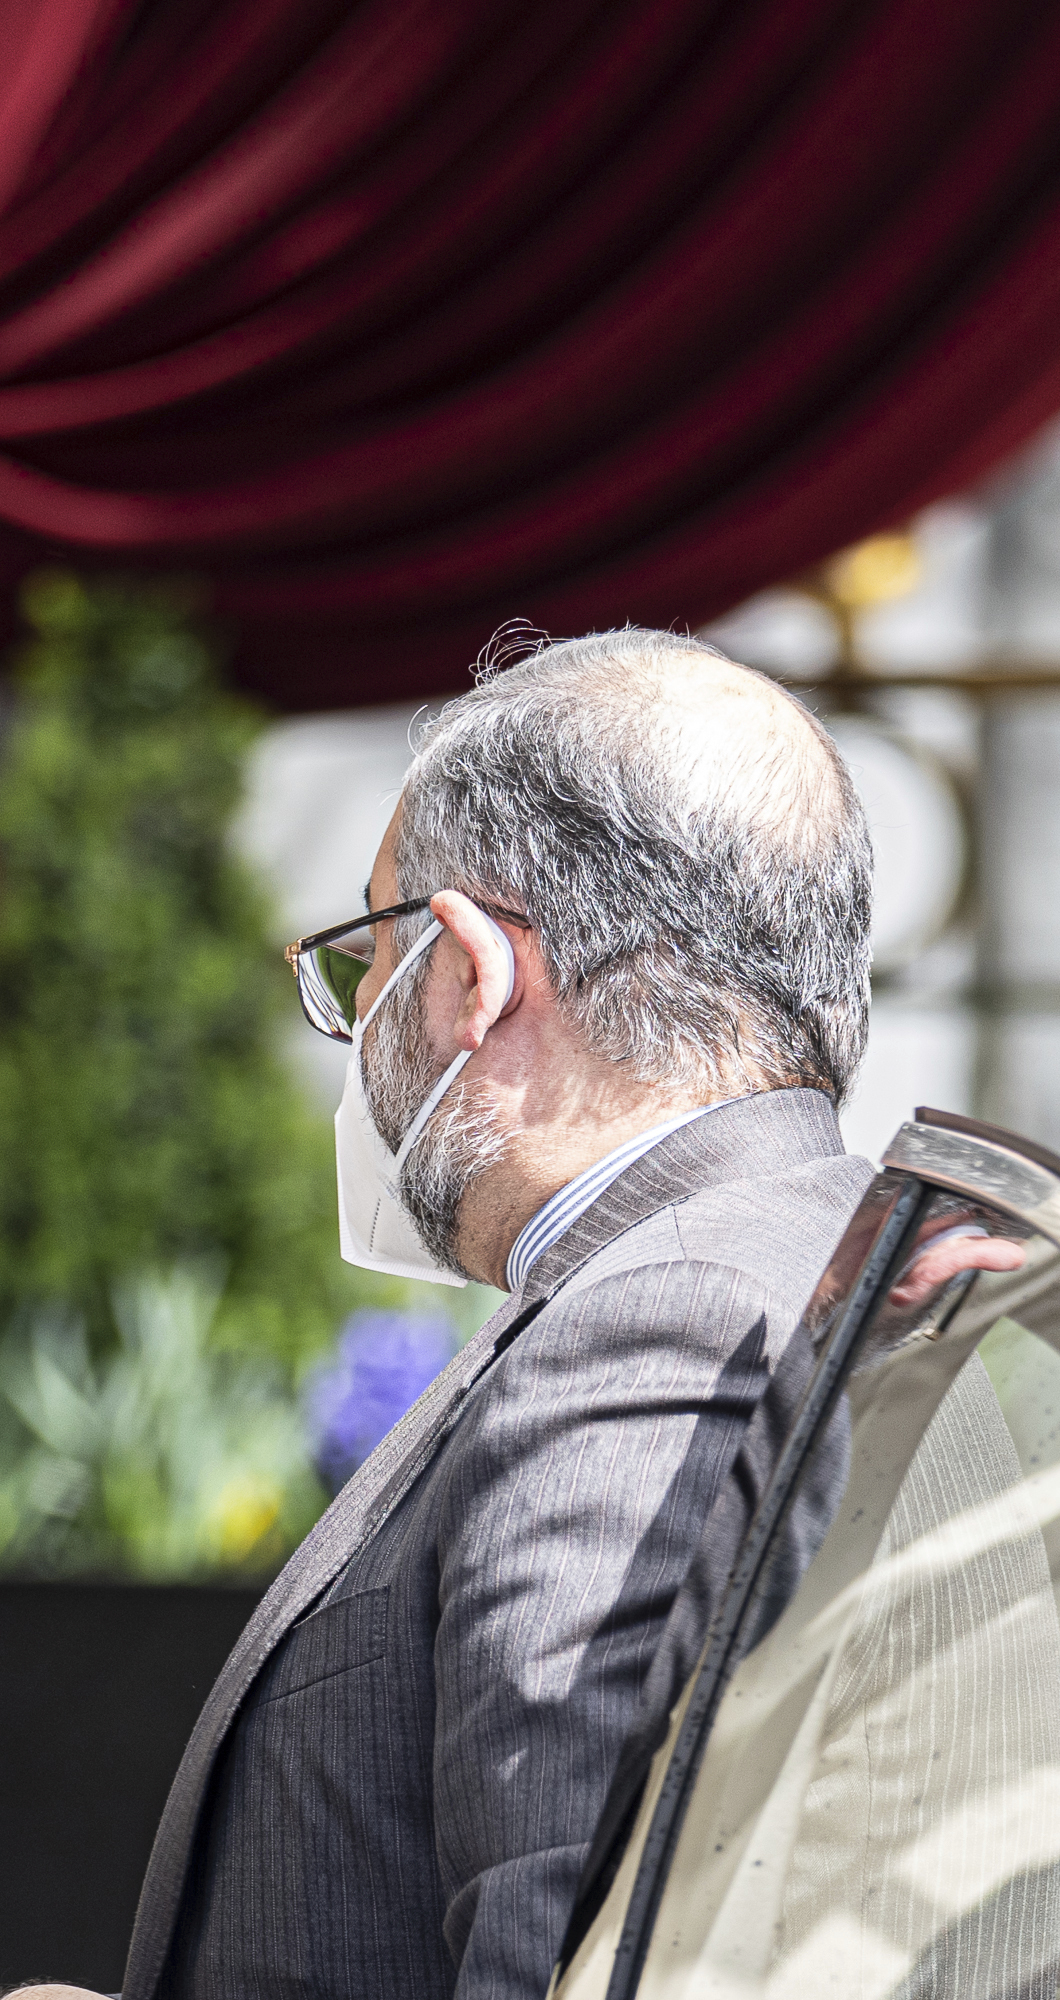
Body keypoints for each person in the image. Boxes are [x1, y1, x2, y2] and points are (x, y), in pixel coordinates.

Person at [76, 630, 931, 1999]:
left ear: (468, 969)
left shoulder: (664, 1327)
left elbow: (568, 1970)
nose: (358, 1021)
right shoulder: (818, 1243)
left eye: (367, 954)